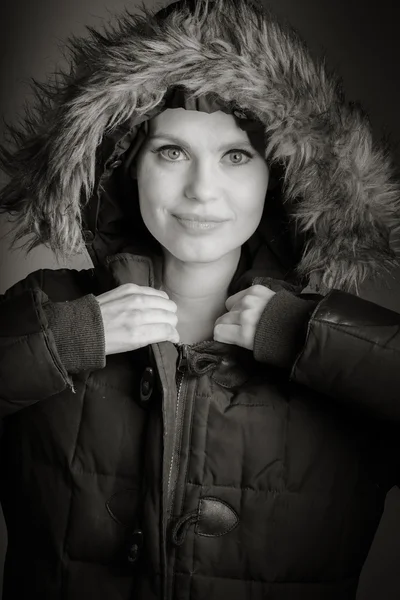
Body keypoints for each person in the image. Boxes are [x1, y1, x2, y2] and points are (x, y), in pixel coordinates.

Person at [0, 0, 400, 598]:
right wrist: (67, 340)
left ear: (284, 175)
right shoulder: (49, 310)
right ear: (128, 166)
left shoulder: (333, 350)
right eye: (171, 152)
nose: (201, 190)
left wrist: (310, 337)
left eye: (236, 156)